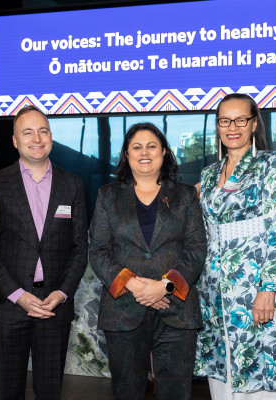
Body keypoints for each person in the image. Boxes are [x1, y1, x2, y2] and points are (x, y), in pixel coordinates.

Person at [89, 123, 207, 400]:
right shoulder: (107, 196)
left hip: (176, 308)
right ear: (126, 155)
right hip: (123, 310)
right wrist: (134, 286)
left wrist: (164, 287)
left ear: (164, 152)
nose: (145, 152)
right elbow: (98, 250)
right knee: (127, 391)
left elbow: (196, 249)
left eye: (152, 146)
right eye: (137, 147)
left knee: (175, 392)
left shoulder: (186, 195)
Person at [194, 93, 276, 399]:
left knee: (260, 375)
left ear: (254, 124)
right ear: (218, 126)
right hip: (213, 294)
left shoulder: (270, 164)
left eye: (241, 119)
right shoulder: (209, 174)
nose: (232, 127)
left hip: (255, 290)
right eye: (225, 120)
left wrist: (269, 288)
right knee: (222, 378)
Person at [0, 105, 88, 400]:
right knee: (7, 391)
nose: (37, 138)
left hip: (53, 306)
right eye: (27, 132)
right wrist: (18, 294)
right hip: (9, 306)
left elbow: (80, 249)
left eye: (43, 131)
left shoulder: (71, 184)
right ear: (15, 141)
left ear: (51, 137)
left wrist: (61, 293)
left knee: (49, 391)